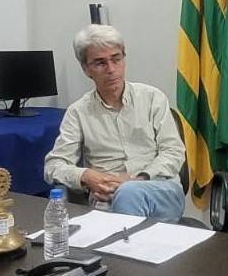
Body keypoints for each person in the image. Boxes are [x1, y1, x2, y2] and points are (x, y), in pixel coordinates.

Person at [44, 25, 186, 222]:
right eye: (100, 63)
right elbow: (53, 166)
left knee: (128, 193)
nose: (111, 69)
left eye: (116, 59)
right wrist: (86, 176)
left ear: (124, 59)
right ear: (86, 69)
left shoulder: (153, 98)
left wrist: (139, 179)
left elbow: (173, 151)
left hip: (160, 191)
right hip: (106, 199)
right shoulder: (78, 112)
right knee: (122, 200)